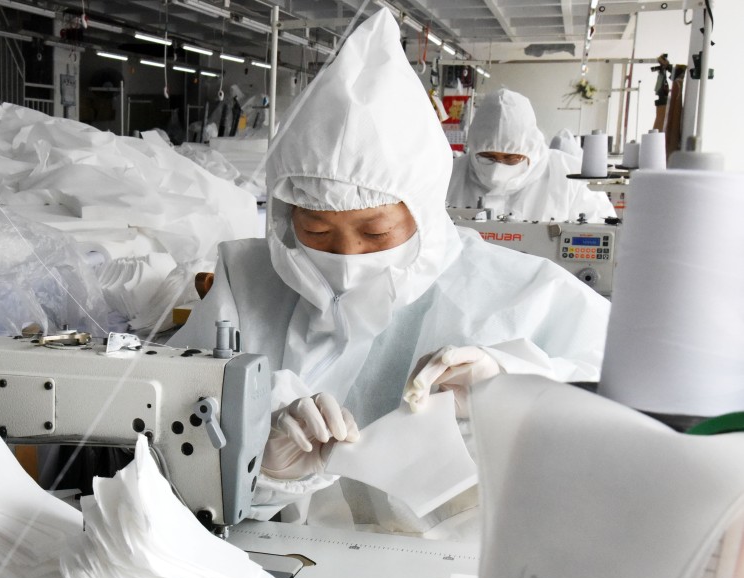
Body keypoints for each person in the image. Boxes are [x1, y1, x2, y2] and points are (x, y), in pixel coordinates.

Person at [170, 9, 610, 535]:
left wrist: (517, 383)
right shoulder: (247, 282)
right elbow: (166, 441)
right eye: (315, 231)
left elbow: (644, 421)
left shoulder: (522, 295)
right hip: (269, 559)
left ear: (422, 212)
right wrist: (258, 466)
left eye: (376, 234)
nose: (348, 257)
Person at [447, 89, 616, 223]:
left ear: (531, 149)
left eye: (511, 159)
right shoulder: (449, 175)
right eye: (488, 157)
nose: (497, 169)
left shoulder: (570, 177)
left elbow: (602, 233)